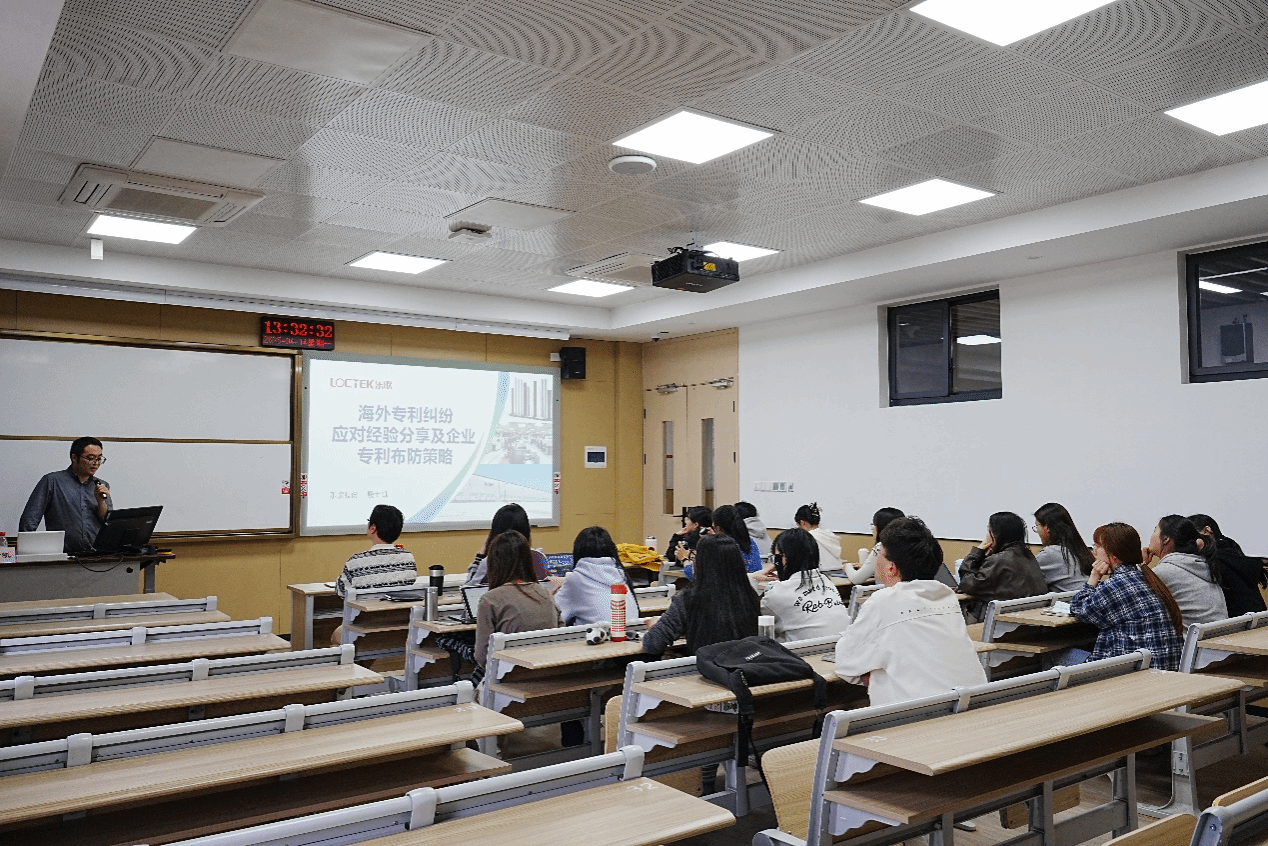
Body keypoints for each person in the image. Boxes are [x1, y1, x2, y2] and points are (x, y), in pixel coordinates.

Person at [833, 516, 986, 706]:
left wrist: (869, 674)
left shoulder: (883, 601)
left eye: (879, 553)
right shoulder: (946, 595)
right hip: (970, 705)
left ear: (891, 568)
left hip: (918, 715)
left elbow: (844, 663)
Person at [1069, 522, 1184, 670]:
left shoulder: (1116, 585)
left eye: (1098, 546)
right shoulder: (1144, 577)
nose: (1094, 550)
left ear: (1114, 554)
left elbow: (1079, 608)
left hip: (1133, 673)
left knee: (1053, 657)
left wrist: (1094, 577)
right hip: (1161, 668)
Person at [642, 534, 760, 656]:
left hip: (706, 666)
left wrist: (655, 626)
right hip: (748, 664)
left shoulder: (689, 598)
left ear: (700, 563)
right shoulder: (750, 595)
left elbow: (652, 644)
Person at [472, 530, 562, 684]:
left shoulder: (489, 600)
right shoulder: (546, 594)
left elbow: (482, 656)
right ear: (528, 560)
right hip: (547, 675)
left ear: (493, 563)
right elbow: (562, 634)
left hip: (509, 679)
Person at [20, 436, 113, 553]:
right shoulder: (52, 481)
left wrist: (101, 502)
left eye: (99, 459)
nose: (96, 463)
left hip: (96, 555)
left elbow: (108, 522)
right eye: (90, 458)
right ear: (74, 458)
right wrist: (26, 552)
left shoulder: (102, 486)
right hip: (62, 555)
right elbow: (29, 519)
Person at [760, 528, 850, 641]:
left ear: (785, 559)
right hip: (840, 647)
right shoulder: (827, 583)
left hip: (800, 651)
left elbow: (761, 621)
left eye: (777, 557)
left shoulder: (778, 594)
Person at [957, 511, 1047, 623]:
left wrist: (978, 551)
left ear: (995, 535)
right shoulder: (1028, 556)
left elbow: (966, 584)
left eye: (989, 531)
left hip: (997, 622)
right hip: (1022, 621)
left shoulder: (998, 560)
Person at [1145, 515, 1227, 627]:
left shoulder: (1164, 571)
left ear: (1165, 539)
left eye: (1155, 530)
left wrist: (1141, 564)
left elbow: (1130, 599)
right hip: (1216, 636)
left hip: (1190, 638)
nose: (1151, 536)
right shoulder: (1204, 564)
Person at [554, 526, 635, 626]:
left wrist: (551, 595)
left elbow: (554, 617)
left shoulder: (576, 580)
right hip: (631, 634)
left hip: (600, 635)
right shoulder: (620, 574)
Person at [1189, 513, 1268, 616]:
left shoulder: (1214, 561)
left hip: (1237, 623)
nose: (1188, 545)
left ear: (1207, 531)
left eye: (1191, 538)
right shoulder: (1234, 554)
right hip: (1260, 620)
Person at [334, 504, 417, 598]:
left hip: (365, 608)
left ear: (372, 528)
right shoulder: (408, 558)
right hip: (399, 608)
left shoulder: (355, 562)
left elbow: (341, 591)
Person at [464, 503, 548, 585]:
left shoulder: (489, 561)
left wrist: (480, 557)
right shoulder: (539, 557)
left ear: (495, 532)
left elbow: (468, 588)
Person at [684, 504, 761, 577]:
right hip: (752, 584)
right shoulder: (750, 542)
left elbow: (697, 576)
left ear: (718, 528)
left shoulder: (721, 546)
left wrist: (684, 559)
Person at [1032, 502, 1095, 593]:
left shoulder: (1050, 554)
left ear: (1047, 528)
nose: (1037, 531)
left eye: (1037, 526)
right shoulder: (1078, 549)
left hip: (1072, 601)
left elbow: (1025, 581)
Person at [847, 507, 904, 584]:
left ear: (879, 528)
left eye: (873, 526)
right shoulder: (910, 544)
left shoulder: (881, 547)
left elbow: (856, 579)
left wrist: (847, 566)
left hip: (888, 591)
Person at [795, 502, 841, 571]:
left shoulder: (806, 538)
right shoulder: (829, 535)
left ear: (802, 523)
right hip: (838, 572)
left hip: (818, 574)